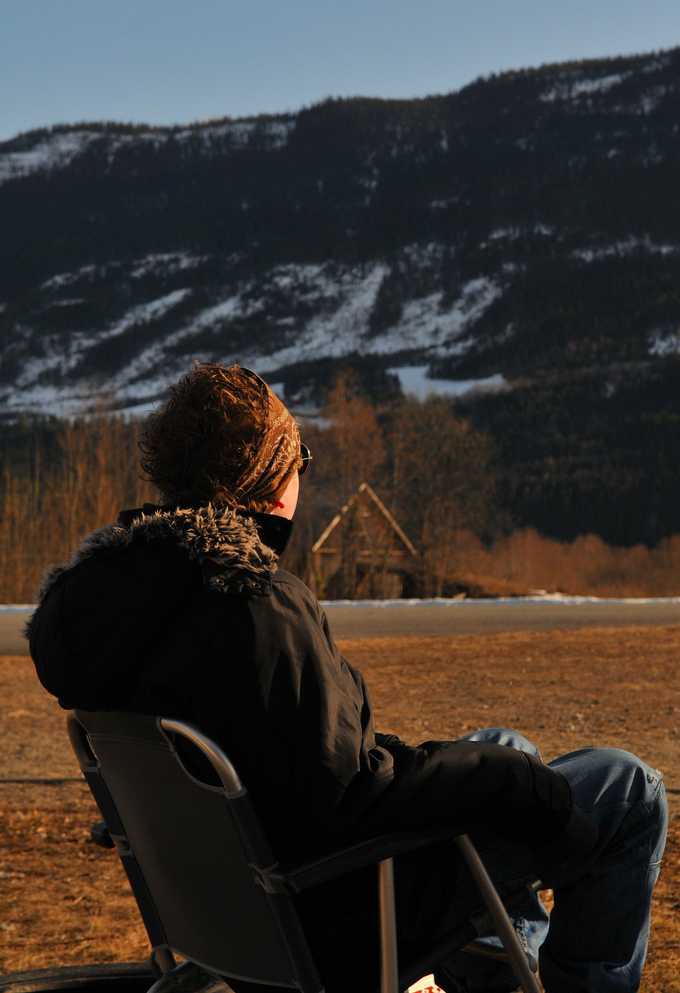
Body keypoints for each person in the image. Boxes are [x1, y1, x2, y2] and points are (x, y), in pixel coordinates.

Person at [28, 362, 667, 993]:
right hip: (339, 915)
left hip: (231, 915)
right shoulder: (251, 604)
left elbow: (296, 764)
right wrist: (518, 785)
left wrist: (490, 765)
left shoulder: (118, 609)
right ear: (269, 479)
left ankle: (487, 980)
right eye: (298, 460)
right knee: (629, 787)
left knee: (505, 744)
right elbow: (349, 799)